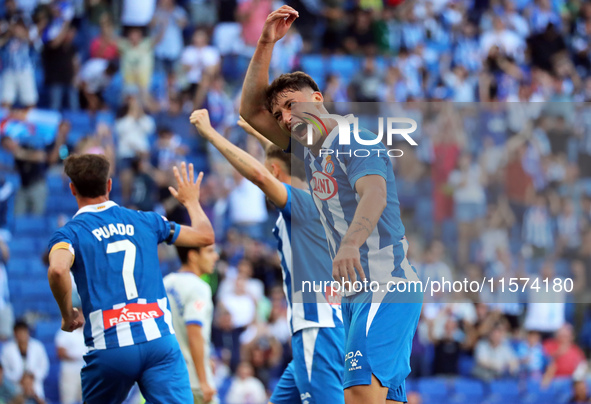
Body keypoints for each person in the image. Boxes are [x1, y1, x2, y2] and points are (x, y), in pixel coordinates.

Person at [239, 6, 422, 403]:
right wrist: (266, 42)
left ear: (317, 99)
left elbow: (375, 193)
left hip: (385, 282)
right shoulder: (310, 149)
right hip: (357, 294)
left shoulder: (351, 136)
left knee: (357, 394)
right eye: (280, 114)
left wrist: (351, 243)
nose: (285, 118)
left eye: (291, 105)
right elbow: (250, 111)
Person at [190, 109, 345, 404]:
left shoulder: (299, 204)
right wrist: (258, 135)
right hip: (325, 327)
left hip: (317, 331)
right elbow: (277, 166)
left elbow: (262, 175)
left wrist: (210, 134)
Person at [47, 154, 214, 403]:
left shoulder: (70, 233)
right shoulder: (145, 220)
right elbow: (204, 237)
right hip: (158, 341)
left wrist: (67, 314)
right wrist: (191, 202)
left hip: (110, 346)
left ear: (72, 189)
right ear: (109, 185)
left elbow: (58, 270)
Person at [163, 244, 220, 404]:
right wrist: (203, 380)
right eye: (209, 251)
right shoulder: (199, 287)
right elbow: (193, 331)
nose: (216, 256)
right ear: (193, 256)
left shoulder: (165, 283)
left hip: (167, 377)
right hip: (193, 380)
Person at [0, 321, 48, 399]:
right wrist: (19, 377)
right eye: (19, 332)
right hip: (15, 384)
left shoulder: (37, 346)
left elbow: (44, 366)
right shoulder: (7, 349)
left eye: (24, 332)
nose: (22, 335)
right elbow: (4, 370)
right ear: (15, 334)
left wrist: (32, 376)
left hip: (34, 383)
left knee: (38, 399)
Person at [55, 310, 86, 404]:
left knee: (85, 399)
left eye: (82, 315)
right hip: (70, 371)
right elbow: (60, 352)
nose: (81, 318)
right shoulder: (65, 332)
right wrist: (77, 357)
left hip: (85, 372)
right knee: (68, 400)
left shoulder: (88, 332)